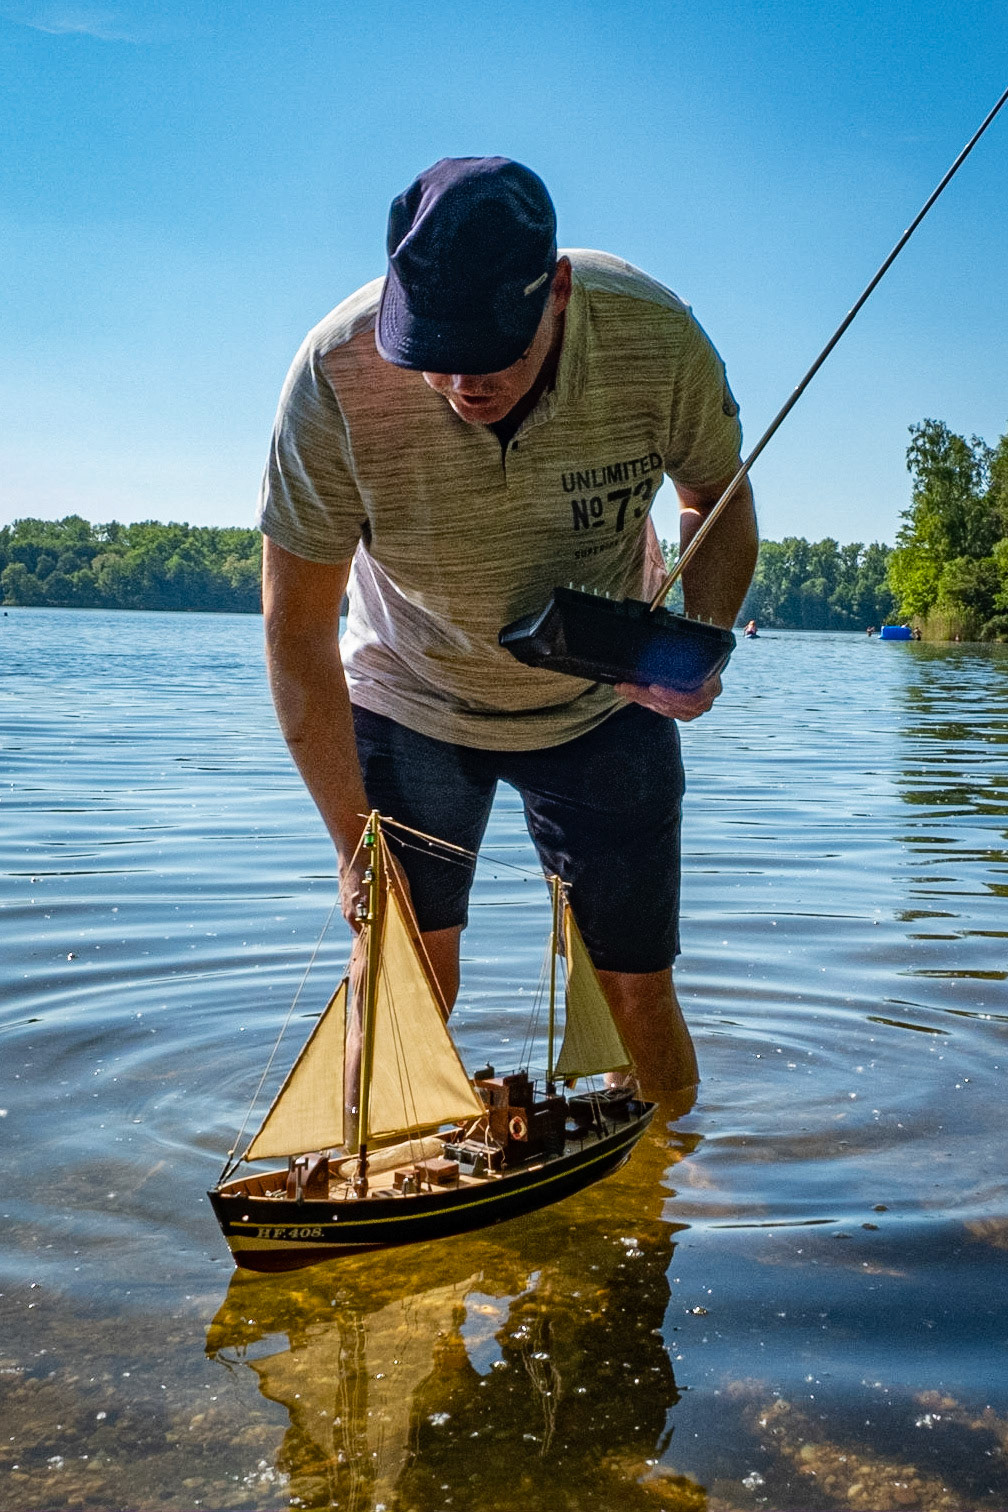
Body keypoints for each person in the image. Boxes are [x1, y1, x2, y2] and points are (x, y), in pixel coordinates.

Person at [257, 157, 758, 1098]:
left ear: (557, 290)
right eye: (430, 349)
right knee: (401, 975)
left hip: (605, 705)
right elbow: (294, 633)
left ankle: (666, 1206)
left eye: (488, 350)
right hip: (410, 698)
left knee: (634, 993)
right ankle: (384, 1208)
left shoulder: (653, 335)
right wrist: (348, 844)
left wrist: (704, 635)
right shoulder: (334, 373)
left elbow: (716, 497)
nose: (457, 379)